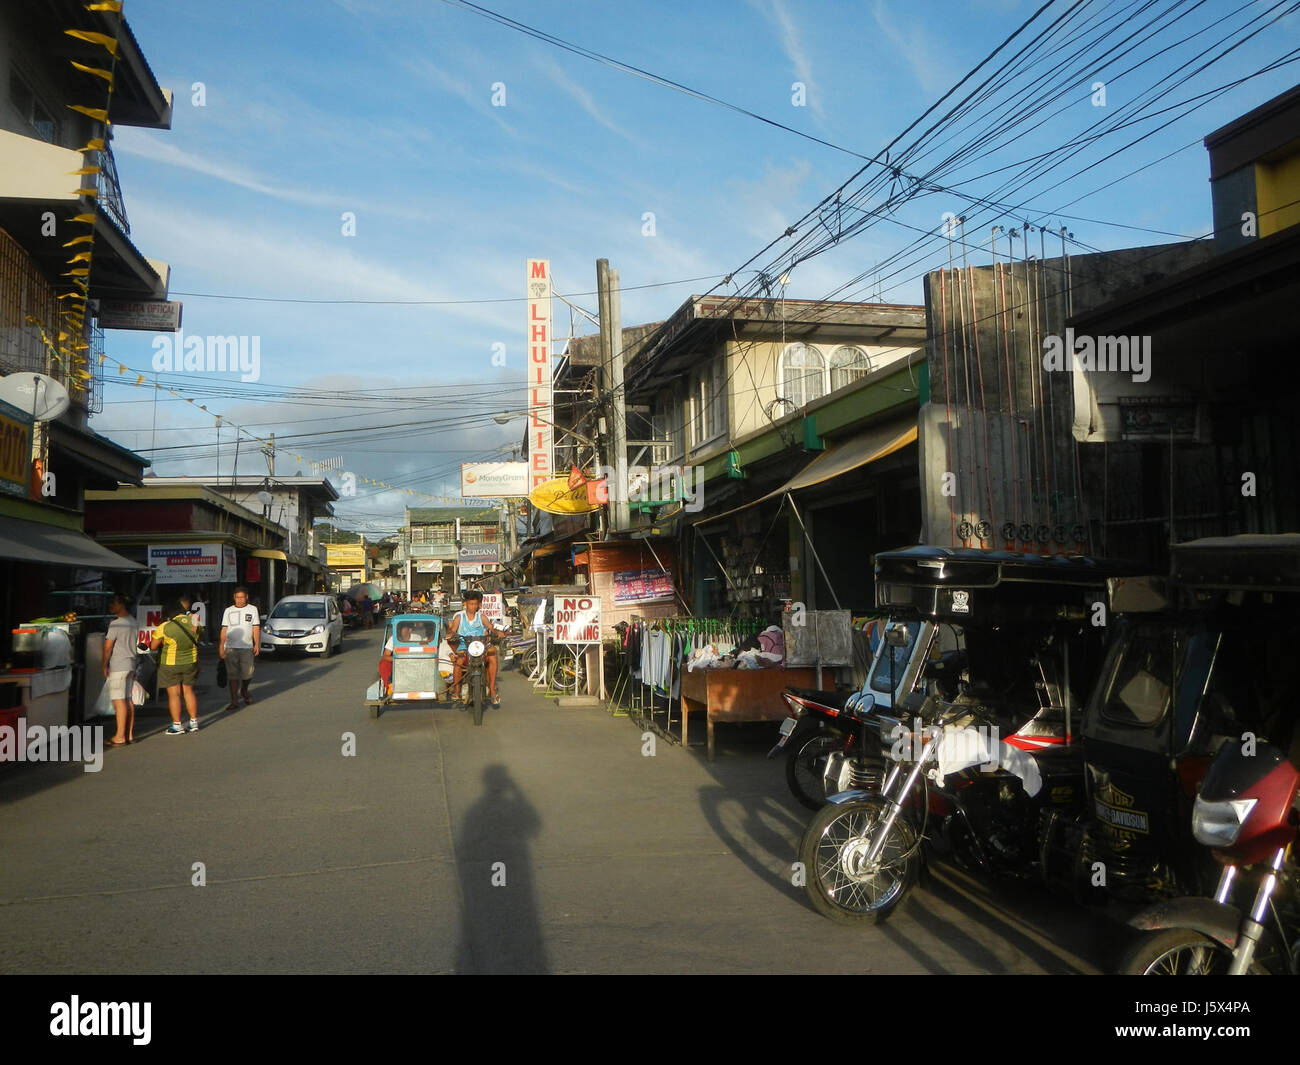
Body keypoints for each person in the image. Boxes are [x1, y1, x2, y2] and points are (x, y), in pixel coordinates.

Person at [151, 598, 201, 735]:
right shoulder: (194, 621)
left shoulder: (165, 626)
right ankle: (193, 722)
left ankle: (177, 725)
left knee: (174, 695)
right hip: (190, 662)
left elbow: (153, 646)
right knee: (189, 692)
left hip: (170, 664)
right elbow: (197, 636)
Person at [448, 589, 504, 709]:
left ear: (479, 605)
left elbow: (490, 627)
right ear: (465, 604)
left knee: (493, 655)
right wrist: (451, 634)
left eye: (475, 604)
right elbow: (452, 630)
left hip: (480, 646)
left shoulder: (481, 617)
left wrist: (496, 632)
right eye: (470, 604)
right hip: (464, 647)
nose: (473, 606)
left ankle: (493, 689)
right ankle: (457, 691)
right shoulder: (459, 617)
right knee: (458, 663)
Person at [102, 593, 137, 745]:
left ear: (122, 605)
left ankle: (120, 735)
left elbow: (108, 647)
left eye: (114, 603)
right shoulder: (133, 621)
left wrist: (104, 664)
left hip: (118, 665)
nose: (111, 606)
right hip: (130, 663)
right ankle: (128, 734)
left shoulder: (116, 624)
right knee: (128, 700)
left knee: (118, 700)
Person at [219, 586, 261, 710]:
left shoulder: (253, 609)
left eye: (242, 597)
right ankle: (234, 700)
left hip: (246, 647)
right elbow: (224, 629)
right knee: (232, 675)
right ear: (234, 598)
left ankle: (244, 690)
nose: (239, 600)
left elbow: (256, 627)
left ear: (246, 597)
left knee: (247, 674)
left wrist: (257, 643)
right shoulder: (228, 611)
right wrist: (221, 646)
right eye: (237, 597)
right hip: (230, 647)